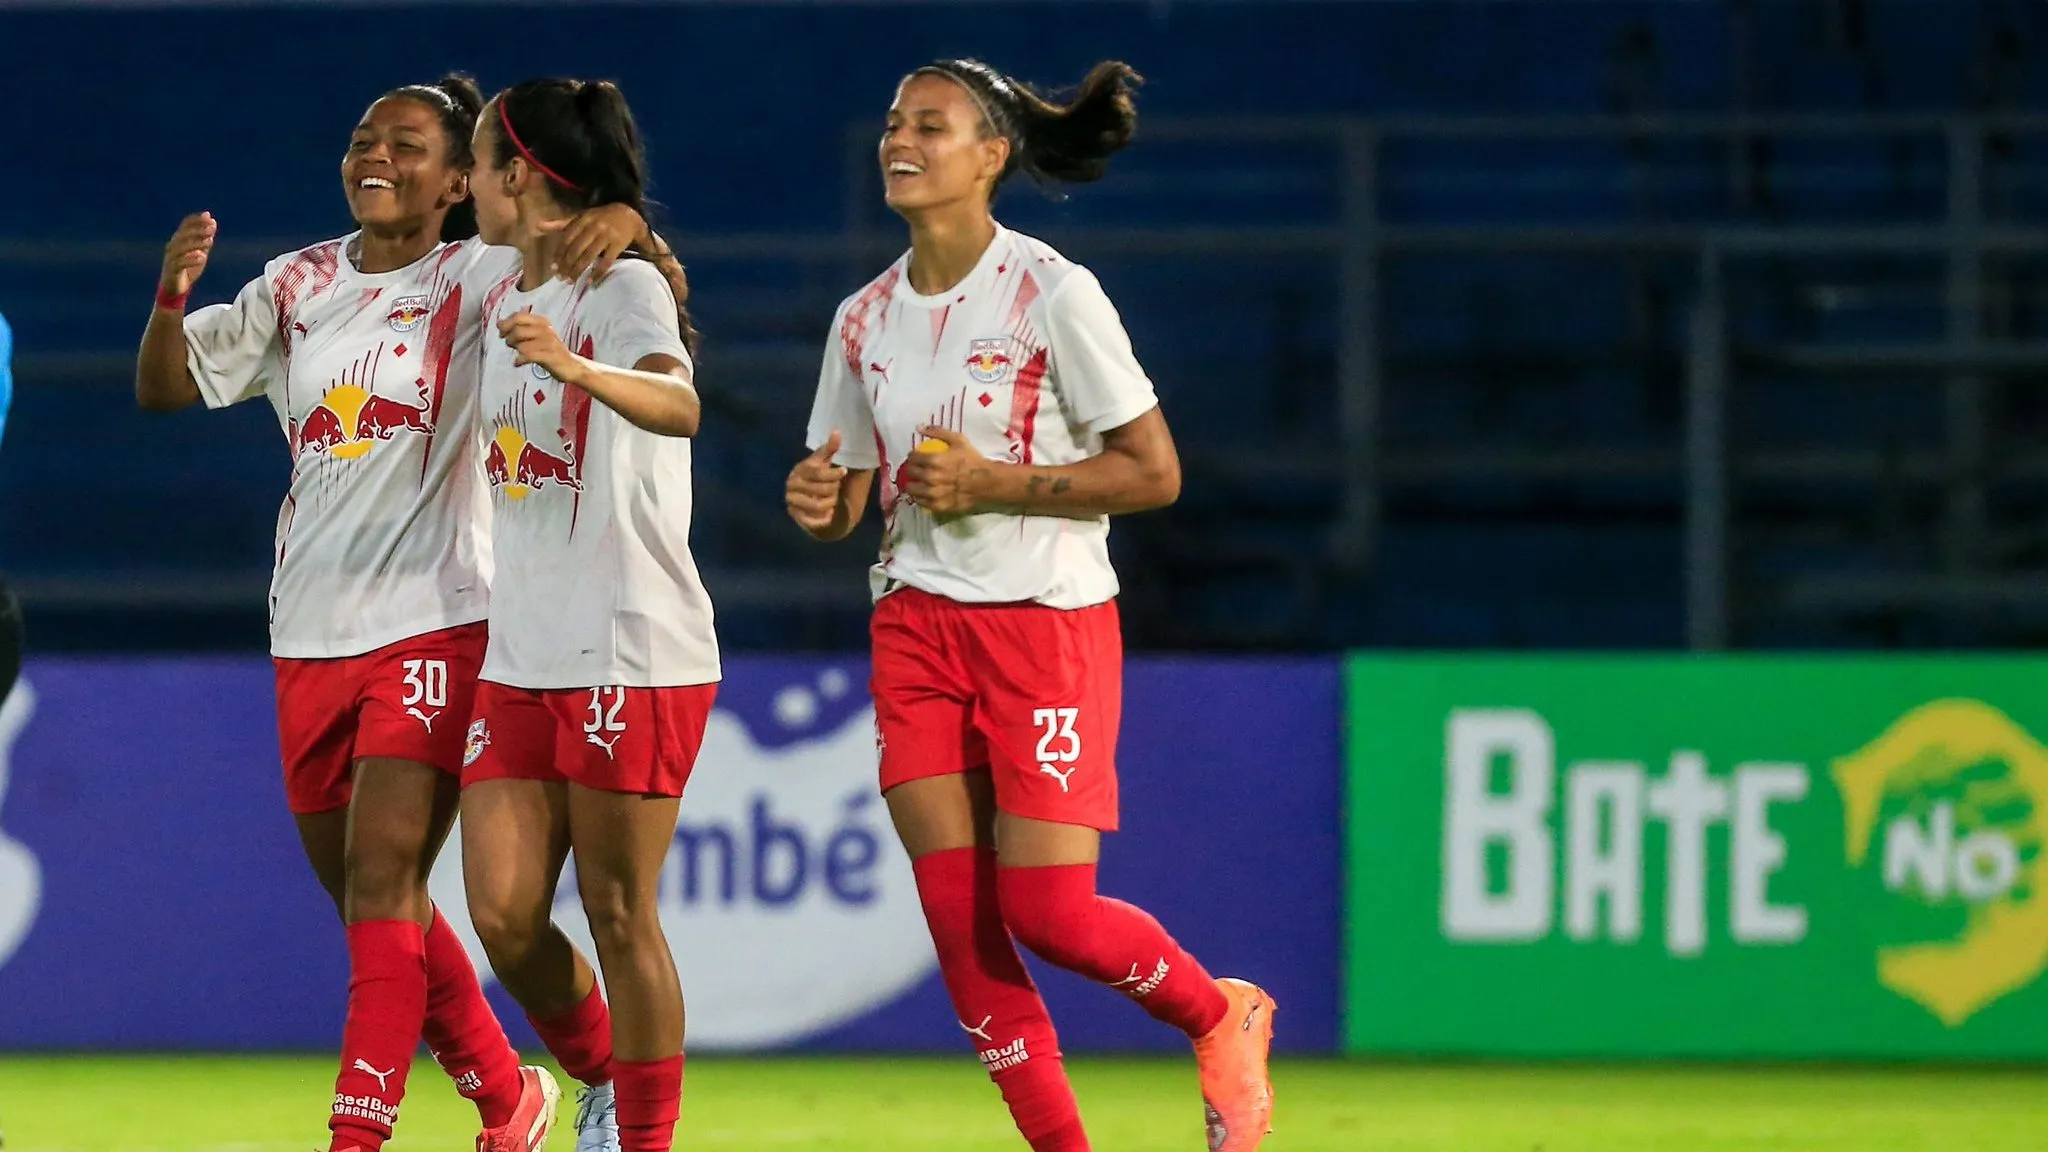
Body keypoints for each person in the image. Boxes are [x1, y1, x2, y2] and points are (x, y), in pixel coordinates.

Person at [133, 74, 667, 1152]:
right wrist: (169, 300)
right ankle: (513, 1094)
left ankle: (359, 1134)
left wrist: (624, 216)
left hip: (436, 618)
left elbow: (609, 259)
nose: (375, 155)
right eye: (363, 139)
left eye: (408, 144)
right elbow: (166, 387)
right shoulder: (297, 284)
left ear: (461, 182)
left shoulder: (481, 276)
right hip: (306, 630)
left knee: (384, 878)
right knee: (376, 905)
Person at [784, 58, 1276, 1152]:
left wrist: (996, 484)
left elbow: (1153, 472)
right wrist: (817, 501)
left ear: (992, 156)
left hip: (1044, 625)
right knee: (962, 931)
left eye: (931, 125)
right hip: (915, 628)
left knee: (1048, 915)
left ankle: (1217, 1012)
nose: (900, 140)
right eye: (894, 121)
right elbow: (845, 496)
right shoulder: (860, 320)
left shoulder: (1053, 293)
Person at [458, 77, 716, 1152]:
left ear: (520, 175)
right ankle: (601, 1076)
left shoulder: (621, 285)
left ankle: (642, 1137)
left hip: (627, 643)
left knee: (619, 912)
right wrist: (630, 212)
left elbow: (679, 400)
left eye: (478, 164)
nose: (465, 184)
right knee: (503, 915)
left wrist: (578, 364)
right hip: (520, 653)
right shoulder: (496, 282)